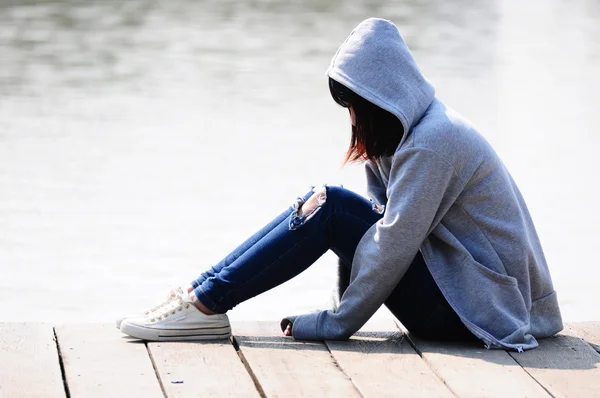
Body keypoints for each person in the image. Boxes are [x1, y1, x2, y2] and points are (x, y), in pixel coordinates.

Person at [119, 18, 563, 351]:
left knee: (329, 206)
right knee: (321, 203)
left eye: (352, 103)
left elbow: (391, 247)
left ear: (381, 96)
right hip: (461, 296)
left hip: (482, 313)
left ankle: (205, 306)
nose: (350, 116)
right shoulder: (404, 136)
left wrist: (334, 323)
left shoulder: (434, 141)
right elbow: (376, 229)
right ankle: (201, 296)